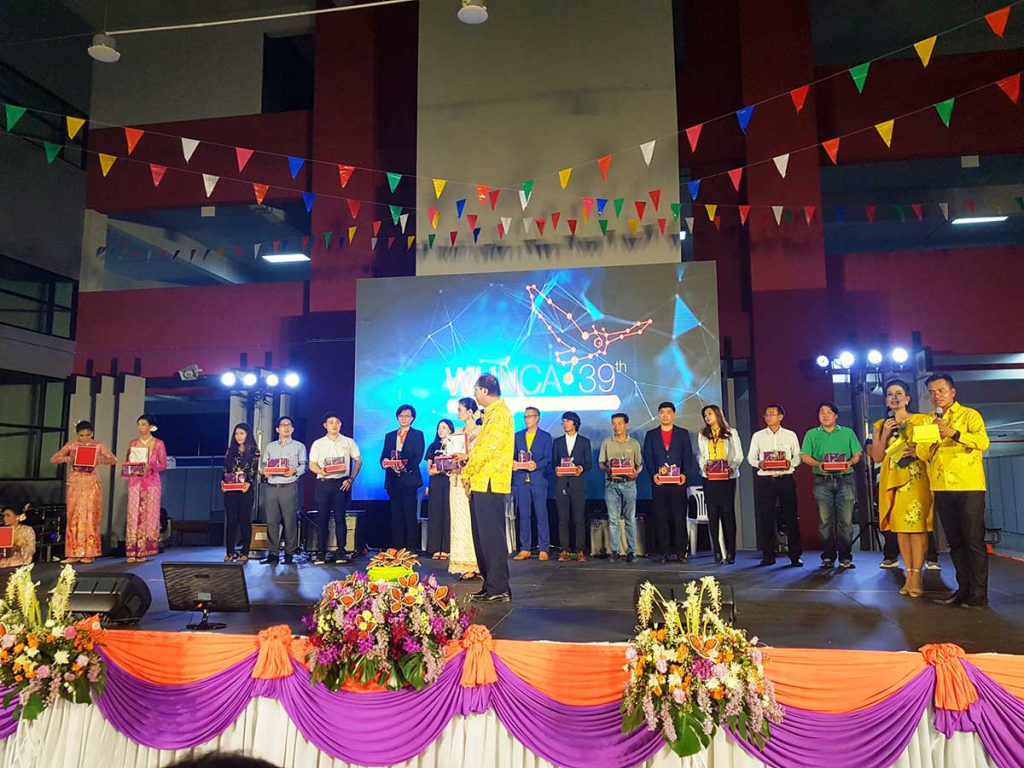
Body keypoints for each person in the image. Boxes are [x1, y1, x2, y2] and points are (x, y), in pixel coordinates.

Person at [918, 374, 990, 609]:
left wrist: (954, 433)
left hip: (969, 486)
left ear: (952, 392)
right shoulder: (928, 421)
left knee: (973, 540)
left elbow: (982, 442)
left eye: (940, 390)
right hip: (941, 487)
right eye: (931, 392)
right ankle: (963, 590)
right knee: (955, 542)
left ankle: (979, 594)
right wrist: (933, 440)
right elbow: (922, 453)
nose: (936, 395)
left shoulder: (969, 415)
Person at [866, 380, 933, 597]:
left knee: (917, 527)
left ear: (907, 398)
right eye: (889, 394)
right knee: (901, 529)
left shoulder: (922, 420)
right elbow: (877, 456)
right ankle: (908, 574)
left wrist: (916, 449)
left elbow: (929, 450)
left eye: (898, 393)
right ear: (886, 400)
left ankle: (917, 576)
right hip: (892, 479)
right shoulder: (880, 424)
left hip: (916, 478)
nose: (894, 397)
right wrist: (885, 433)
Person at [461, 374, 514, 602]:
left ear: (484, 390)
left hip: (490, 482)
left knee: (492, 537)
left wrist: (468, 471)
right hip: (480, 481)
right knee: (482, 538)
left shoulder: (500, 413)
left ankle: (499, 586)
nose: (475, 395)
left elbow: (487, 450)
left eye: (476, 390)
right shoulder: (489, 414)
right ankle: (490, 583)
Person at [801, 402, 862, 570]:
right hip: (822, 480)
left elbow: (857, 454)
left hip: (845, 479)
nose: (825, 415)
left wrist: (850, 462)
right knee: (825, 521)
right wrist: (818, 464)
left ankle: (845, 557)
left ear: (836, 416)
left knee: (846, 521)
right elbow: (805, 457)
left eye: (829, 412)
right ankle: (828, 556)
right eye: (822, 412)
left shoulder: (847, 433)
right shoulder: (812, 434)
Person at [49, 420, 116, 564]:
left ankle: (89, 552)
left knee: (90, 516)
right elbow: (54, 458)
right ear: (77, 434)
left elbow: (112, 459)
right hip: (75, 482)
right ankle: (73, 553)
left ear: (92, 434)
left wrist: (98, 459)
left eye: (88, 435)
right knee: (73, 516)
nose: (85, 438)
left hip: (91, 481)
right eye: (81, 435)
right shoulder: (72, 445)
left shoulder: (98, 445)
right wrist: (69, 458)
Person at [747, 404, 803, 567]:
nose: (768, 417)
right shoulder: (758, 436)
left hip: (785, 478)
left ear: (780, 417)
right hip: (766, 480)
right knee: (766, 518)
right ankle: (768, 555)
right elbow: (751, 457)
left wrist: (789, 462)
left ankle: (795, 555)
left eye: (772, 414)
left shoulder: (790, 435)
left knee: (791, 517)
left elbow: (798, 457)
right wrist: (760, 463)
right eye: (766, 414)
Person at [642, 402, 694, 563]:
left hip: (678, 483)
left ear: (674, 415)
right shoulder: (651, 434)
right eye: (662, 412)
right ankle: (664, 551)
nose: (665, 415)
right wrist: (653, 475)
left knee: (679, 518)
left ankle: (681, 552)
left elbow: (688, 456)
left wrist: (685, 474)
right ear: (658, 415)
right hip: (659, 484)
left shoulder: (682, 433)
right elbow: (648, 456)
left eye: (668, 412)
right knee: (661, 518)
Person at [310, 412, 362, 565]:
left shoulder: (348, 441)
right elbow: (312, 464)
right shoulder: (318, 443)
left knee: (340, 519)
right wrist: (321, 471)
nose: (334, 425)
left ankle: (341, 551)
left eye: (337, 422)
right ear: (325, 425)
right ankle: (321, 552)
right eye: (331, 422)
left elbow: (358, 461)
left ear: (340, 425)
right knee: (322, 519)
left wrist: (351, 479)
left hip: (341, 484)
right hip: (323, 483)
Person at [698, 405, 744, 565]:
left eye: (710, 414)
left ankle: (731, 552)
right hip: (709, 478)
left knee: (727, 513)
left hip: (727, 478)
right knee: (712, 514)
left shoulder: (731, 432)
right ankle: (716, 551)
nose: (707, 417)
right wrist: (703, 466)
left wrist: (731, 467)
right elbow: (701, 455)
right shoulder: (703, 434)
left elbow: (739, 455)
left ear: (717, 414)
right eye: (705, 415)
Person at [260, 415, 307, 565]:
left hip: (288, 486)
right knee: (271, 521)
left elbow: (304, 465)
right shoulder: (270, 446)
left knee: (290, 520)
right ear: (277, 429)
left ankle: (289, 553)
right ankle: (273, 553)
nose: (286, 427)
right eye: (283, 425)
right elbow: (264, 464)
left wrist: (295, 471)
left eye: (289, 425)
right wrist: (265, 471)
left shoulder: (299, 446)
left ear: (292, 429)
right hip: (271, 487)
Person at [598, 413, 643, 563]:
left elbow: (640, 464)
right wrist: (607, 470)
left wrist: (636, 472)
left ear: (626, 425)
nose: (616, 426)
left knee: (630, 518)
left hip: (629, 484)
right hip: (612, 484)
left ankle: (631, 551)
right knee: (614, 520)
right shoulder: (607, 442)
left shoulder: (634, 443)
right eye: (614, 423)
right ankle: (615, 551)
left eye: (619, 423)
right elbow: (601, 463)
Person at [381, 404, 424, 552]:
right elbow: (383, 455)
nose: (403, 418)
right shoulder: (390, 436)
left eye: (407, 416)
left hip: (409, 480)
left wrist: (405, 467)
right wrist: (385, 463)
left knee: (409, 514)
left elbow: (418, 456)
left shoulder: (417, 434)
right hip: (393, 480)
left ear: (412, 418)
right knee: (396, 515)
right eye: (401, 416)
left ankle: (411, 548)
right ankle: (398, 548)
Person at [124, 414, 167, 563]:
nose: (140, 427)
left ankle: (144, 549)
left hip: (151, 483)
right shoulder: (133, 443)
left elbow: (163, 464)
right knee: (133, 514)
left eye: (143, 424)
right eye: (139, 424)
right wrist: (130, 468)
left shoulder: (158, 443)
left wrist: (151, 466)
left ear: (150, 427)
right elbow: (128, 461)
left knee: (149, 514)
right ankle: (132, 549)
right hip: (135, 482)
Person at [512, 406, 553, 561]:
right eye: (525, 417)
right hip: (521, 481)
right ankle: (525, 548)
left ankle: (544, 548)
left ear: (537, 418)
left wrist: (537, 465)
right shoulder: (517, 436)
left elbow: (548, 458)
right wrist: (513, 463)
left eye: (529, 416)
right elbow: (512, 456)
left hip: (538, 480)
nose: (527, 419)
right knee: (523, 515)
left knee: (541, 514)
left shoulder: (545, 437)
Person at [449, 398, 482, 580]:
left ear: (470, 412)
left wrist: (466, 456)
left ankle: (479, 562)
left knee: (475, 521)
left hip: (474, 480)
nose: (458, 413)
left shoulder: (480, 432)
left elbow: (483, 455)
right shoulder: (456, 434)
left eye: (460, 409)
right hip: (456, 480)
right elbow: (450, 454)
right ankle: (464, 563)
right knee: (460, 522)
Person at [552, 411, 592, 562]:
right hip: (562, 483)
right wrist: (556, 468)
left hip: (577, 483)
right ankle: (564, 550)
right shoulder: (557, 442)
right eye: (563, 421)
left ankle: (580, 550)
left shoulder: (584, 442)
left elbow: (589, 463)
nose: (565, 424)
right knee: (563, 519)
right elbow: (553, 462)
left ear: (575, 423)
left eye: (567, 421)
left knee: (579, 518)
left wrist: (580, 468)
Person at [221, 422, 260, 563]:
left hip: (245, 490)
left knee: (244, 519)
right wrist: (222, 482)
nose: (239, 436)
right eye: (237, 433)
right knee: (231, 520)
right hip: (230, 490)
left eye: (242, 433)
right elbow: (225, 469)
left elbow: (253, 470)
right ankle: (230, 552)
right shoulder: (230, 450)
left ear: (247, 435)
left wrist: (248, 483)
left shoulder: (254, 450)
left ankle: (245, 552)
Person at [426, 419, 454, 559]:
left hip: (450, 481)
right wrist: (436, 469)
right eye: (439, 428)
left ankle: (448, 548)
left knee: (448, 513)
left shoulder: (454, 445)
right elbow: (429, 469)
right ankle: (435, 548)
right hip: (436, 482)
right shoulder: (433, 446)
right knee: (435, 513)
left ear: (450, 430)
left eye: (444, 427)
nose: (440, 430)